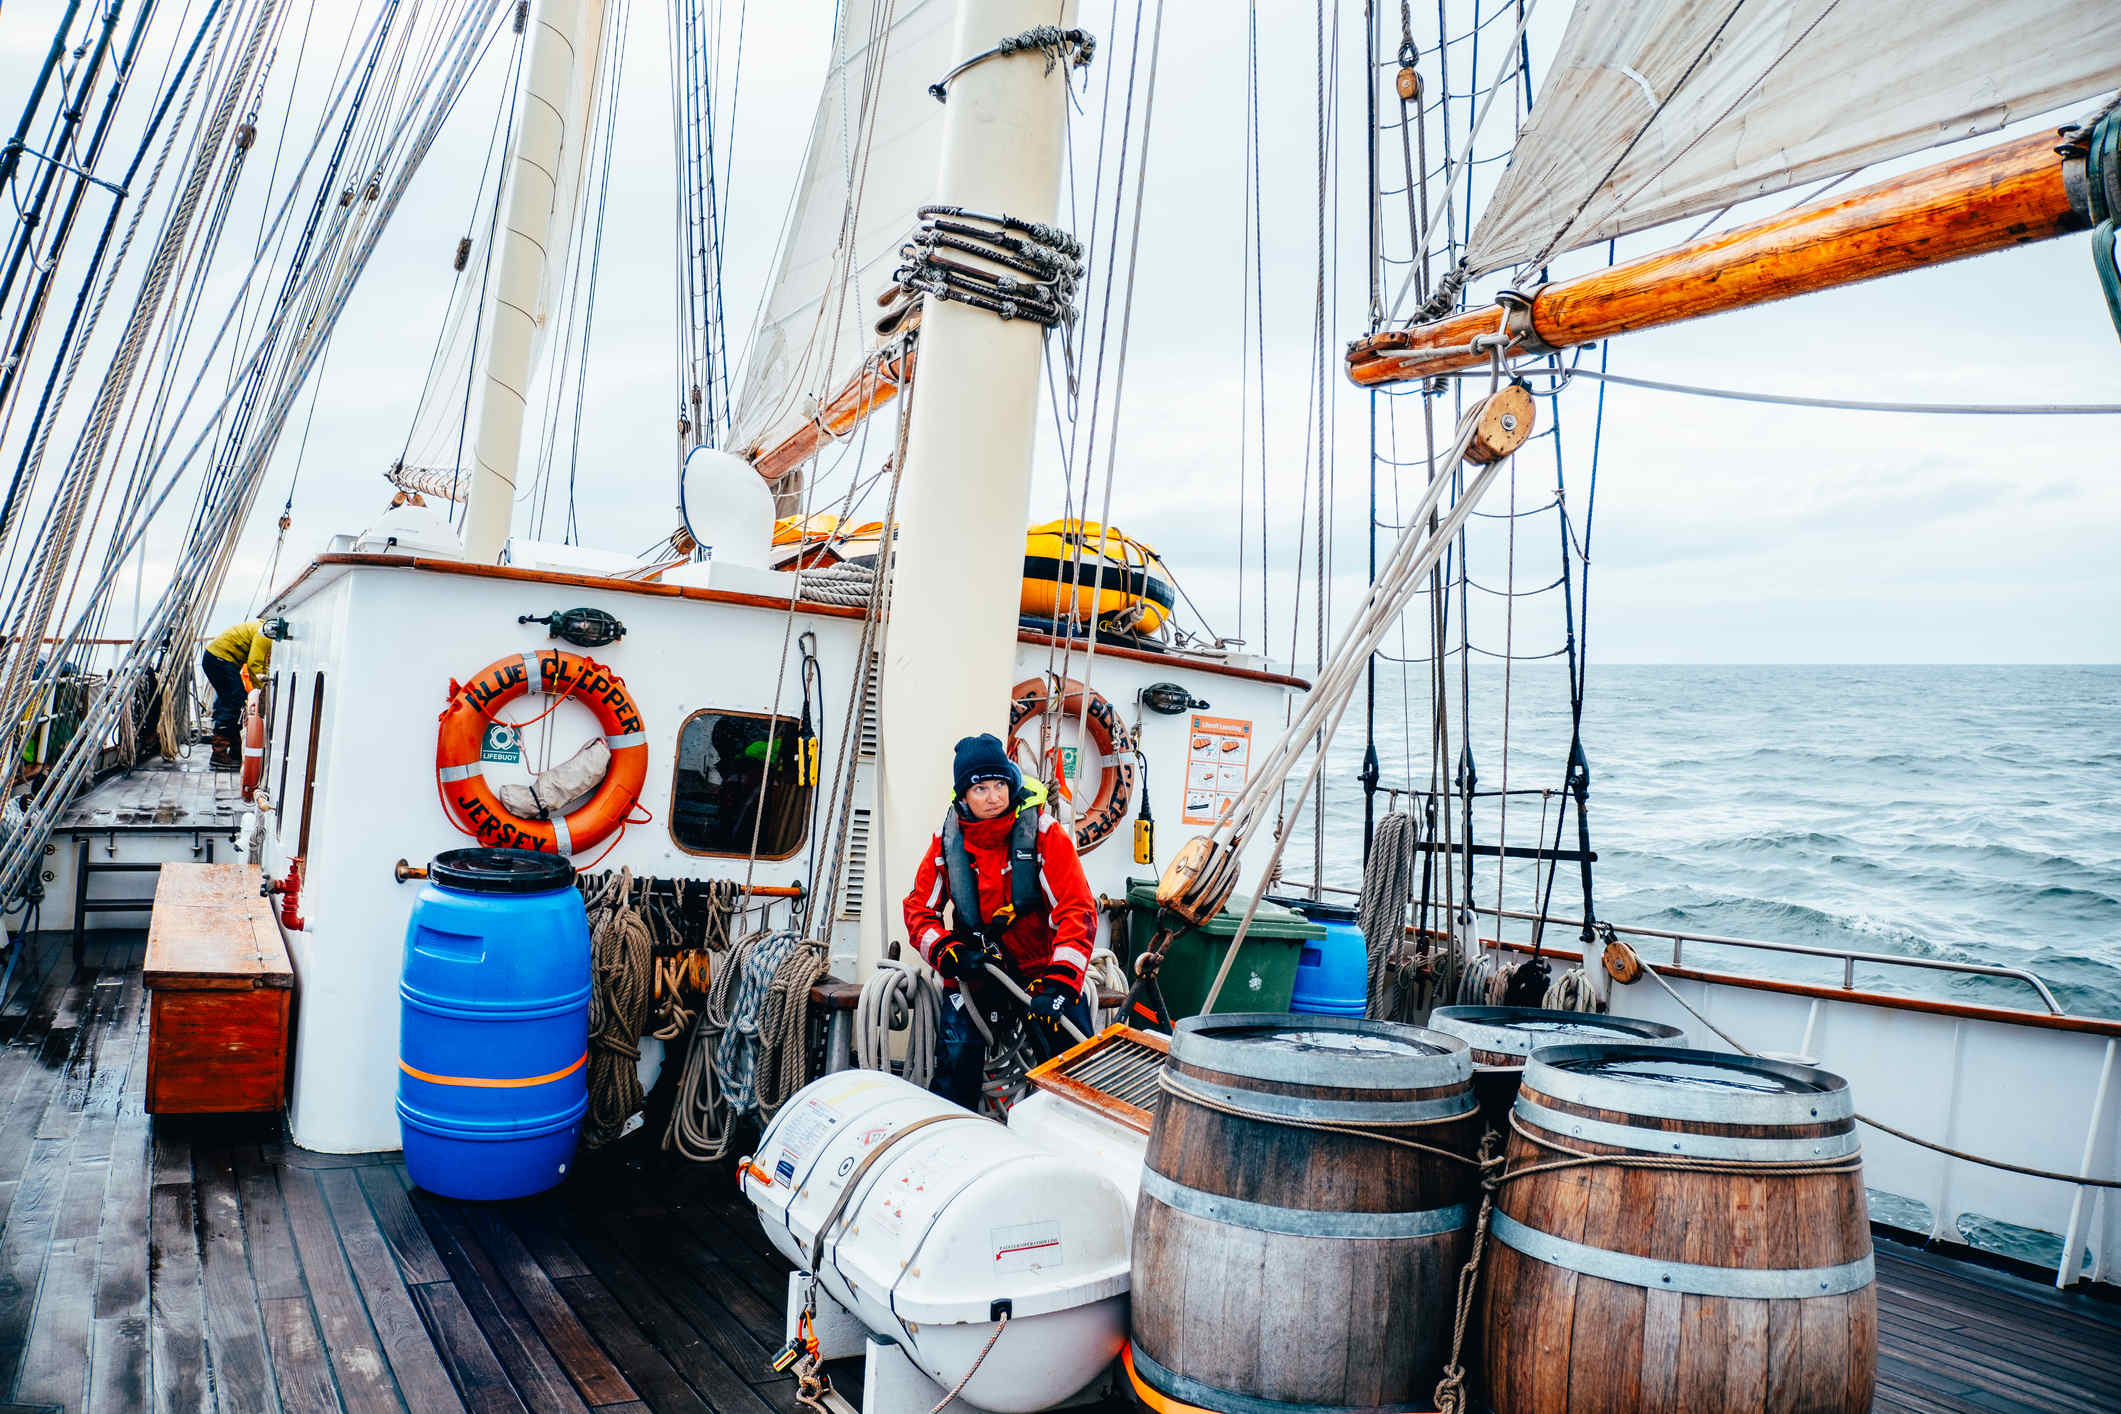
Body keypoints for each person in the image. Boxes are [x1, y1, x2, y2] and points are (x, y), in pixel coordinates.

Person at [903, 733, 1097, 1109]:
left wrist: (1060, 984)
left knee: (1075, 1071)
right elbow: (918, 911)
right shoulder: (946, 844)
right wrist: (948, 952)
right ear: (963, 796)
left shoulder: (1045, 836)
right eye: (980, 789)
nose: (993, 797)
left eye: (999, 786)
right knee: (957, 1066)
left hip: (1042, 975)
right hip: (976, 972)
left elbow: (1077, 910)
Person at [201, 619, 271, 770]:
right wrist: (262, 692)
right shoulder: (265, 633)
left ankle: (233, 751)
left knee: (229, 700)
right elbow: (254, 665)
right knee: (234, 701)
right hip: (220, 659)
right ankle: (220, 753)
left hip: (215, 658)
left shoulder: (262, 628)